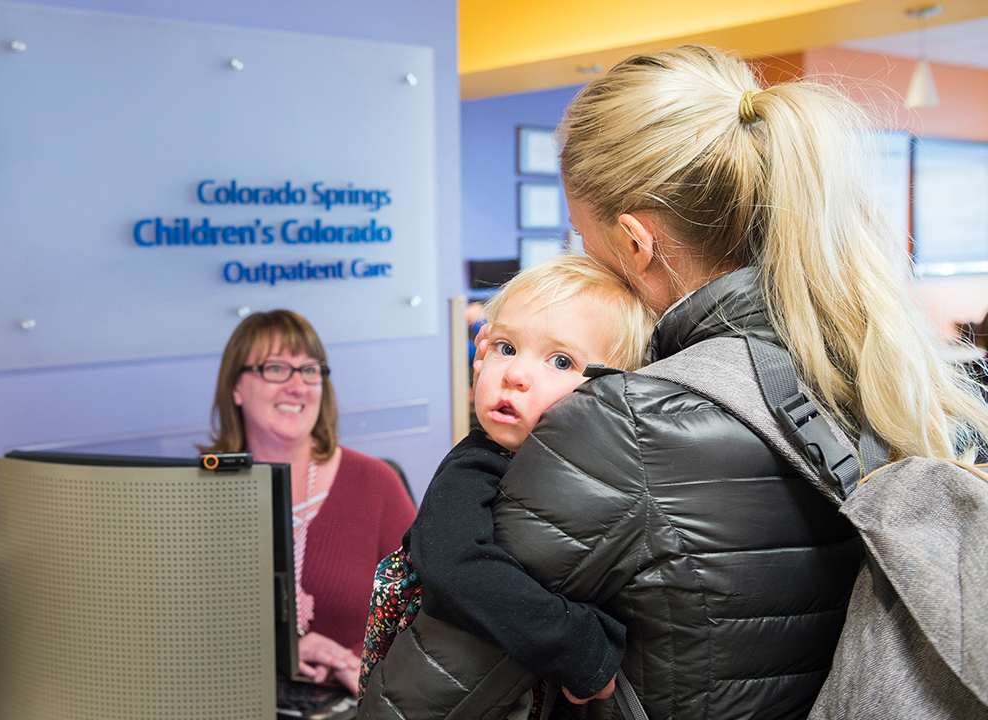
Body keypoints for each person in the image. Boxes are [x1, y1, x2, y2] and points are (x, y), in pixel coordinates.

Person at [365, 45, 988, 720]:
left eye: (581, 237)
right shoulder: (870, 367)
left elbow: (420, 702)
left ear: (635, 243)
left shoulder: (622, 425)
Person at [357, 255, 655, 714]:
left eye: (560, 360)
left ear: (616, 391)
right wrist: (578, 646)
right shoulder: (476, 465)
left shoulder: (602, 471)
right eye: (506, 348)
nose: (514, 374)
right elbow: (458, 567)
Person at [202, 309, 416, 692]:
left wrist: (369, 669)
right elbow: (173, 629)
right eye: (275, 369)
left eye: (310, 370)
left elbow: (428, 616)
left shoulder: (376, 484)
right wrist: (276, 652)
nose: (297, 386)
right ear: (236, 386)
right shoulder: (197, 496)